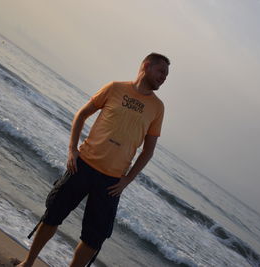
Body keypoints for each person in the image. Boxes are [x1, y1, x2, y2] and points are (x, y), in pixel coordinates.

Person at [14, 53, 170, 267]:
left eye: (166, 74)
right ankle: (28, 263)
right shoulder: (115, 88)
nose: (164, 77)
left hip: (112, 182)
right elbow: (82, 114)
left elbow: (148, 151)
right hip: (83, 166)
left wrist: (127, 180)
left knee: (94, 239)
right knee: (53, 215)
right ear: (146, 66)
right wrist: (72, 150)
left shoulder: (157, 108)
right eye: (161, 71)